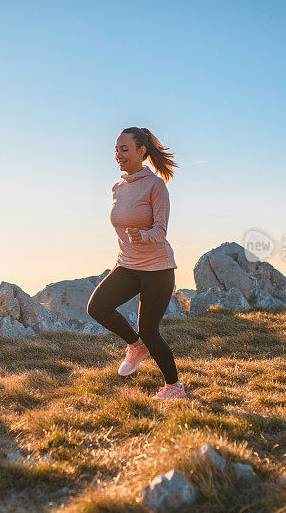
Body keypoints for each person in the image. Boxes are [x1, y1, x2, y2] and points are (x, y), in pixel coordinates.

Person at [86, 127, 185, 400]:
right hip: (127, 265)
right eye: (116, 149)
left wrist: (144, 235)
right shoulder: (117, 187)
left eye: (125, 149)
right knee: (97, 307)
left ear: (142, 151)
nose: (118, 155)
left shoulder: (156, 186)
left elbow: (160, 231)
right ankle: (135, 345)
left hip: (157, 268)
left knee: (149, 330)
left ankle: (174, 388)